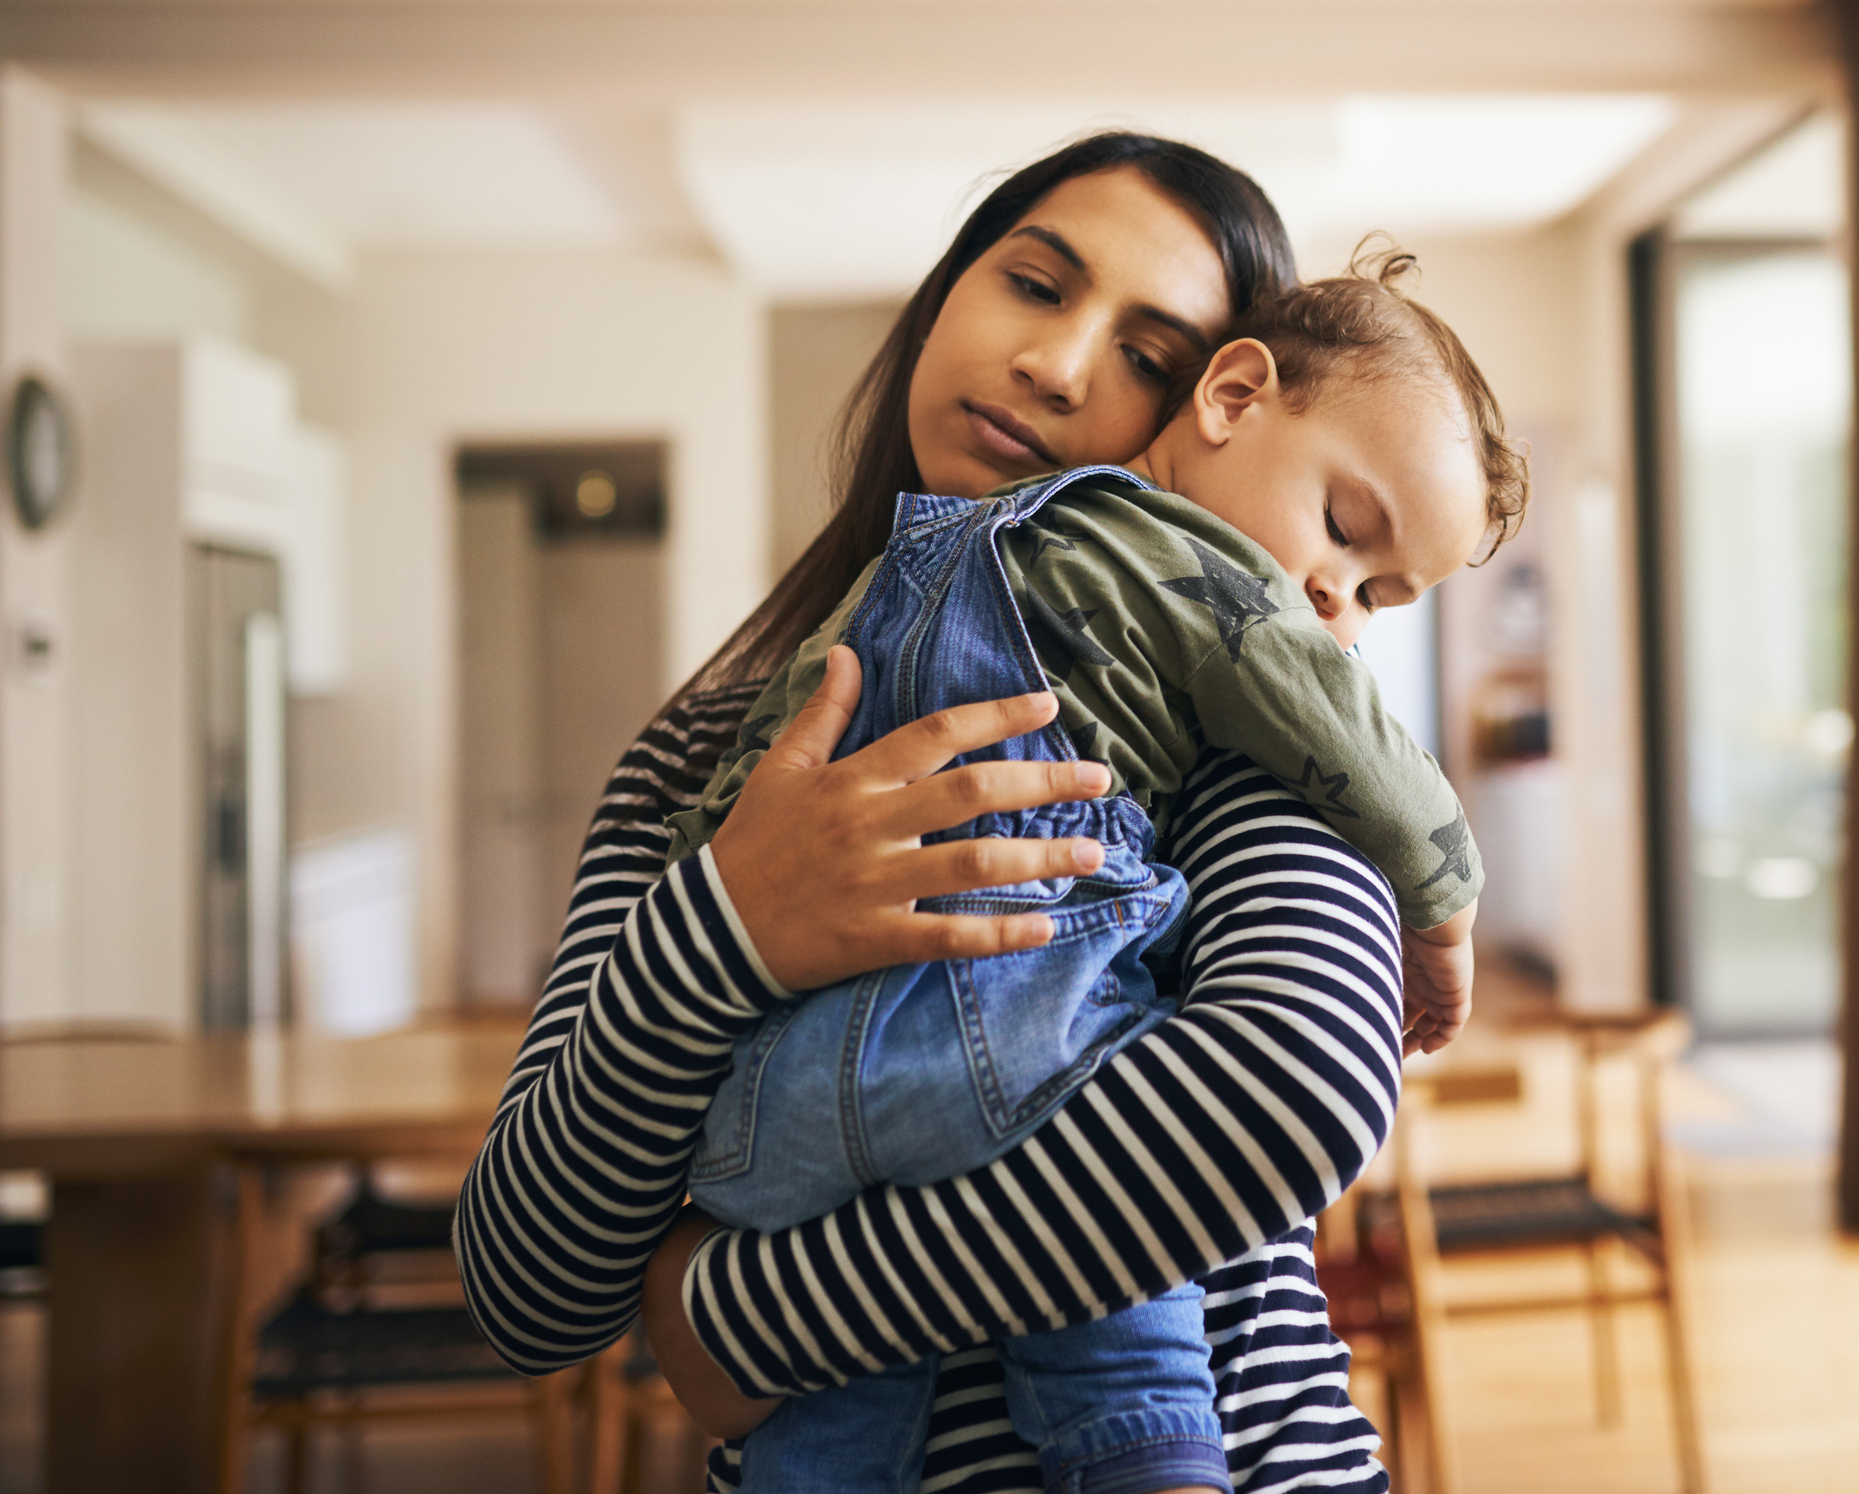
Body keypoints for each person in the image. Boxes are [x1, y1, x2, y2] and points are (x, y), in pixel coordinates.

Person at [455, 132, 1418, 1493]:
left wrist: (733, 1314)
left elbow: (1293, 1086)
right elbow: (525, 1289)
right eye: (1032, 283)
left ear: (1216, 413)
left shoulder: (1235, 721)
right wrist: (732, 925)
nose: (1056, 364)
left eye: (1147, 356)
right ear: (943, 297)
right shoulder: (695, 763)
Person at [656, 259, 1522, 1493]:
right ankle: (1150, 1460)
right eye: (1342, 532)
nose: (1337, 602)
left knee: (824, 1412)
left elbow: (762, 776)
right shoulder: (1192, 570)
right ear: (1229, 397)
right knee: (1117, 1288)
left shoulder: (905, 572)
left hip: (782, 1087)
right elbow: (1346, 732)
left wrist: (707, 915)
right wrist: (1443, 907)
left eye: (1382, 596)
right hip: (1013, 1020)